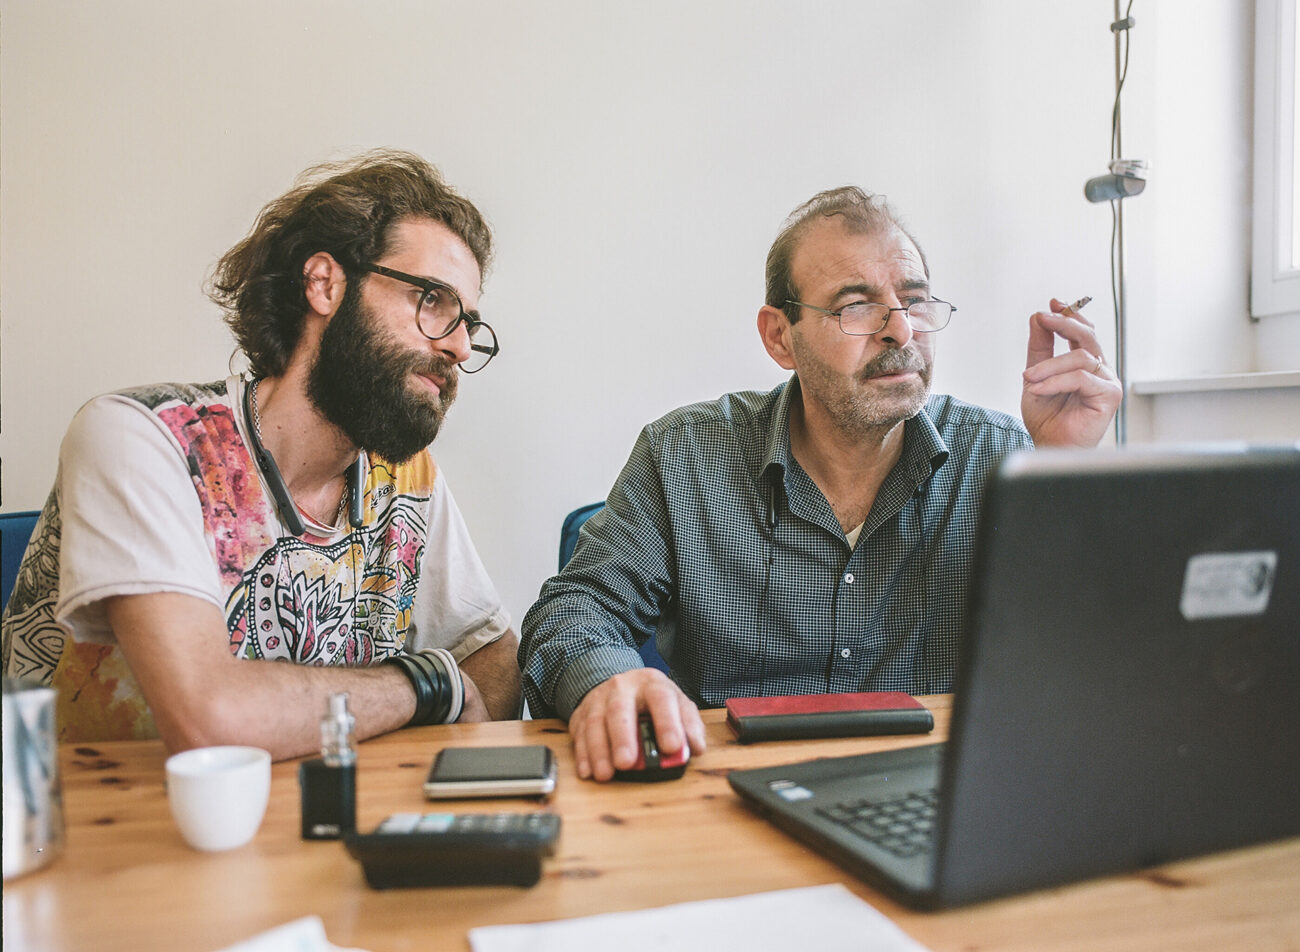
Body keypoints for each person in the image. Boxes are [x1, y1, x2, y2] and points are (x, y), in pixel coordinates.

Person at [519, 186, 1122, 781]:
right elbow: (573, 610)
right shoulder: (686, 456)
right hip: (734, 794)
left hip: (936, 793)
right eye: (855, 306)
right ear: (780, 336)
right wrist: (607, 681)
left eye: (914, 301)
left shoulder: (1006, 457)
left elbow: (1089, 664)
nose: (900, 331)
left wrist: (1066, 473)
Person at [1, 150, 521, 759]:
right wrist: (424, 685)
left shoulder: (406, 479)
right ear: (324, 284)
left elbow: (489, 655)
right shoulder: (146, 438)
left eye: (468, 323)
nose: (460, 347)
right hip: (90, 813)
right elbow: (211, 720)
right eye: (432, 300)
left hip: (304, 815)